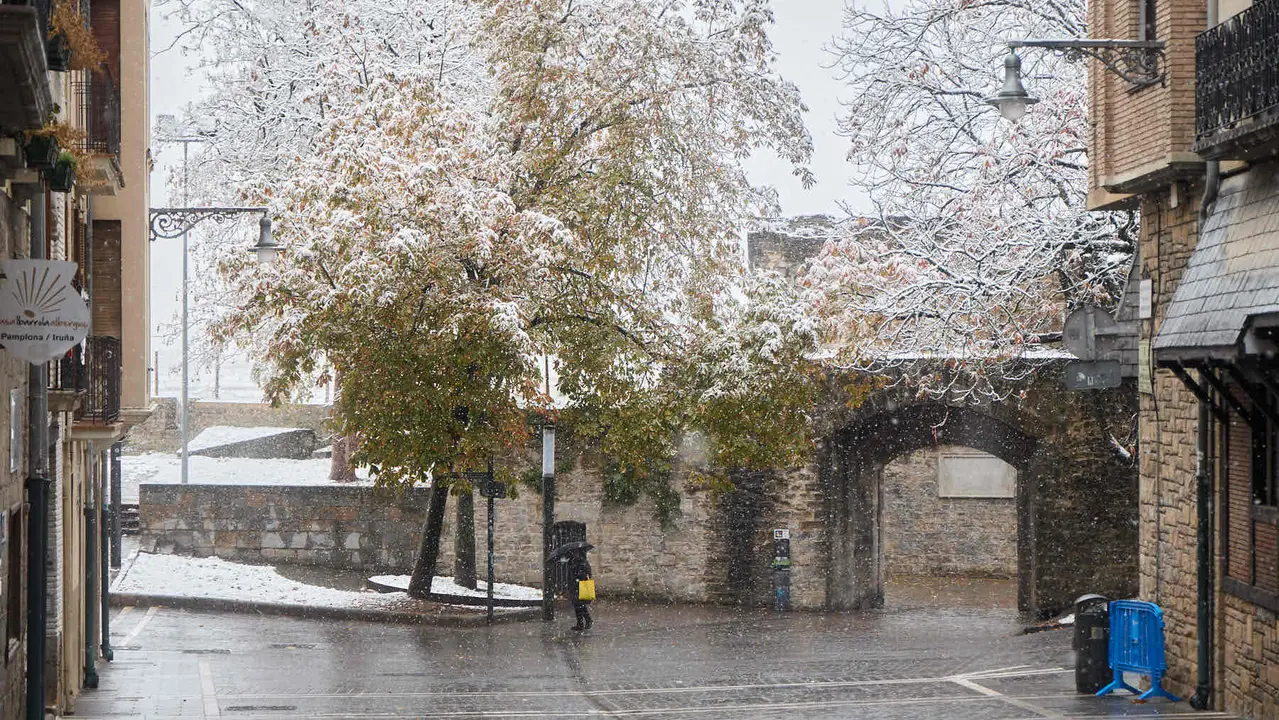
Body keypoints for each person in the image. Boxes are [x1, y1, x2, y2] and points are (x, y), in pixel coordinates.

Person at [567, 548, 593, 631]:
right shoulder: (572, 561)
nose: (575, 554)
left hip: (580, 586)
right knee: (577, 605)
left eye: (576, 553)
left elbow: (587, 574)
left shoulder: (583, 562)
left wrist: (578, 575)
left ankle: (587, 620)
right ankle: (580, 623)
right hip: (574, 586)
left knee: (580, 605)